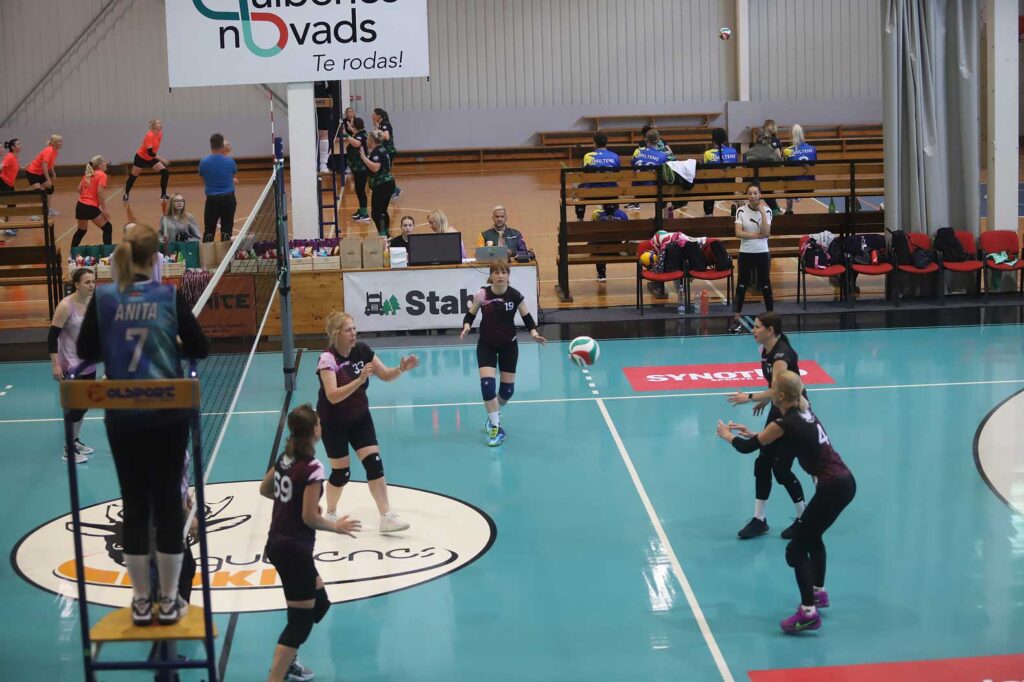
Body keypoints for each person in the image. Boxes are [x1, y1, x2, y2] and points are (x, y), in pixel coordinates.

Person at [76, 223, 210, 626]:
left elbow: (86, 350)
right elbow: (201, 347)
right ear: (155, 259)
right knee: (168, 505)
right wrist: (167, 343)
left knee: (134, 506)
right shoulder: (167, 296)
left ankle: (139, 600)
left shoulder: (104, 298)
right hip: (168, 413)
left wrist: (118, 344)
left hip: (123, 416)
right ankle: (168, 601)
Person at [717, 370, 855, 634]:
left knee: (795, 550)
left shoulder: (784, 422)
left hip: (831, 488)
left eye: (772, 388)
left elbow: (747, 448)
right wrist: (755, 433)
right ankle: (818, 593)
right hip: (845, 483)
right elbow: (780, 442)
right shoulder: (804, 412)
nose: (768, 391)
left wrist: (726, 435)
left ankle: (808, 613)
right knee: (813, 537)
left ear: (779, 395)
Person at [260, 404, 361, 682]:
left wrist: (293, 504)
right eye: (318, 422)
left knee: (320, 604)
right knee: (300, 622)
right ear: (314, 430)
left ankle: (287, 661)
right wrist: (336, 526)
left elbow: (265, 489)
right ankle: (278, 674)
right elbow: (309, 517)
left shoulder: (286, 458)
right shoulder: (313, 468)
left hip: (279, 544)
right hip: (293, 549)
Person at [317, 312, 418, 533]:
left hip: (359, 417)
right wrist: (360, 379)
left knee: (374, 463)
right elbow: (332, 396)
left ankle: (386, 516)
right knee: (341, 474)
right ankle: (331, 512)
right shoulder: (327, 359)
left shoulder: (362, 350)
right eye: (348, 330)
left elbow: (385, 375)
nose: (354, 333)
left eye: (354, 328)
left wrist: (401, 369)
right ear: (336, 334)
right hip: (333, 422)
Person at [725, 312, 807, 539]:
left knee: (781, 468)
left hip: (794, 414)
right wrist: (765, 400)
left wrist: (750, 397)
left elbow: (778, 389)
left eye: (758, 327)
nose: (753, 330)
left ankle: (805, 519)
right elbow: (774, 386)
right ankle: (759, 520)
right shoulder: (765, 350)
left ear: (770, 330)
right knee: (762, 463)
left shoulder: (781, 355)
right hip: (779, 407)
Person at [460, 261, 546, 446]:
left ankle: (493, 416)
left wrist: (534, 333)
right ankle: (496, 427)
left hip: (509, 346)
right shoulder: (482, 294)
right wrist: (467, 325)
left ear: (508, 275)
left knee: (507, 391)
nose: (500, 275)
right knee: (487, 386)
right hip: (487, 345)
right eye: (496, 272)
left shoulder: (515, 295)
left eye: (503, 272)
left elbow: (527, 317)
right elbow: (470, 314)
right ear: (491, 275)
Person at [50, 267, 97, 463]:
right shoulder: (65, 306)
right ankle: (68, 449)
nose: (91, 285)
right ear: (77, 284)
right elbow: (52, 337)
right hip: (71, 365)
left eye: (93, 281)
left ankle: (74, 441)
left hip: (89, 363)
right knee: (76, 407)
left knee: (84, 405)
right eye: (87, 282)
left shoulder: (93, 303)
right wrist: (55, 365)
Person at [727, 183, 774, 334]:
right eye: (750, 193)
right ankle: (736, 320)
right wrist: (757, 236)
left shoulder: (767, 211)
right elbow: (738, 233)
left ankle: (771, 320)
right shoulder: (741, 211)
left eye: (755, 193)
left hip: (762, 252)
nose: (753, 196)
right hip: (746, 252)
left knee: (766, 285)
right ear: (747, 196)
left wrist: (762, 213)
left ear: (760, 195)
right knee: (741, 286)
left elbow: (766, 232)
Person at [198, 133, 237, 242]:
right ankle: (226, 253)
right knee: (227, 231)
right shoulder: (230, 162)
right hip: (228, 199)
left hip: (212, 200)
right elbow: (232, 177)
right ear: (222, 145)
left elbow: (203, 179)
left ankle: (207, 252)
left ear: (211, 145)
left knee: (209, 231)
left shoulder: (204, 162)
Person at [576, 131, 621, 221]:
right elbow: (617, 171)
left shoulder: (588, 156)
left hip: (591, 193)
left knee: (579, 190)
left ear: (594, 143)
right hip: (610, 193)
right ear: (607, 142)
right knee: (612, 186)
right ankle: (610, 215)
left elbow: (585, 173)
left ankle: (580, 219)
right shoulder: (615, 156)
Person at [123, 119, 171, 202]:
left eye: (161, 122)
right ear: (154, 126)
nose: (161, 124)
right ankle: (126, 193)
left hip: (151, 158)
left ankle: (163, 194)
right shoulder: (149, 135)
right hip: (141, 157)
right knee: (133, 176)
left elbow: (154, 150)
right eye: (158, 123)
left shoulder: (160, 134)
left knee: (165, 172)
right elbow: (150, 152)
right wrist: (162, 159)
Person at [358, 131, 395, 238]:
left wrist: (364, 158)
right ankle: (386, 235)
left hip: (382, 184)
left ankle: (383, 235)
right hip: (387, 183)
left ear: (372, 141)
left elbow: (375, 168)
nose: (366, 141)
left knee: (376, 213)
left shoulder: (377, 151)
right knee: (382, 211)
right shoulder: (382, 149)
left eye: (368, 139)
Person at [70, 156, 113, 247]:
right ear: (100, 165)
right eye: (104, 162)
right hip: (90, 207)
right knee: (107, 228)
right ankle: (108, 254)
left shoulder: (89, 174)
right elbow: (100, 192)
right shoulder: (102, 175)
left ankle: (72, 253)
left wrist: (87, 194)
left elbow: (79, 189)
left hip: (80, 205)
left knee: (81, 231)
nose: (106, 164)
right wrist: (104, 210)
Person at [701, 128, 738, 216]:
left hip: (712, 190)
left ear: (713, 140)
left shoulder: (707, 154)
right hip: (730, 189)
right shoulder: (733, 152)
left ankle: (708, 214)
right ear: (725, 139)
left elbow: (704, 170)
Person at [782, 124, 817, 214]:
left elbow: (785, 169)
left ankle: (789, 209)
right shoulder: (812, 149)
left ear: (791, 135)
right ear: (802, 134)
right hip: (810, 186)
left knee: (787, 175)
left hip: (793, 187)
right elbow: (814, 165)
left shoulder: (787, 151)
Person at [589, 202, 628, 282]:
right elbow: (628, 234)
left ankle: (601, 274)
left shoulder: (598, 215)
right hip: (617, 249)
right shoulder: (623, 215)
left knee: (598, 244)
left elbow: (592, 233)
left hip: (599, 250)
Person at [25, 134, 62, 214]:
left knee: (50, 188)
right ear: (54, 143)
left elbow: (50, 164)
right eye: (59, 142)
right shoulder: (49, 150)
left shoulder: (55, 151)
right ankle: (32, 214)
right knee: (37, 193)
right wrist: (48, 179)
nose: (61, 143)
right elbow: (44, 165)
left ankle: (48, 210)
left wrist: (53, 172)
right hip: (32, 172)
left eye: (61, 141)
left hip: (39, 173)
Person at [342, 117, 370, 222]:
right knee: (359, 190)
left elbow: (357, 143)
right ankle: (362, 210)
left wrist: (346, 134)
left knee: (361, 190)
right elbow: (356, 136)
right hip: (357, 169)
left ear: (355, 126)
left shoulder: (361, 135)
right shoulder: (361, 133)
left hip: (361, 168)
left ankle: (365, 213)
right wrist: (350, 129)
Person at [372, 108, 400, 199]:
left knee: (386, 171)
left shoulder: (384, 123)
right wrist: (376, 127)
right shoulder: (381, 124)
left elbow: (386, 137)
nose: (372, 116)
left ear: (379, 116)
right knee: (385, 171)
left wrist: (378, 130)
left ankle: (394, 190)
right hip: (385, 151)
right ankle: (393, 190)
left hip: (388, 150)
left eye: (374, 114)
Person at [2, 138, 23, 236]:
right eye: (18, 144)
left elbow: (14, 166)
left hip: (9, 184)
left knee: (12, 205)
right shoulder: (9, 156)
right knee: (10, 204)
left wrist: (23, 167)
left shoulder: (15, 156)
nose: (20, 145)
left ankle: (7, 225)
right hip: (3, 183)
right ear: (13, 147)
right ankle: (5, 227)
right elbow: (2, 165)